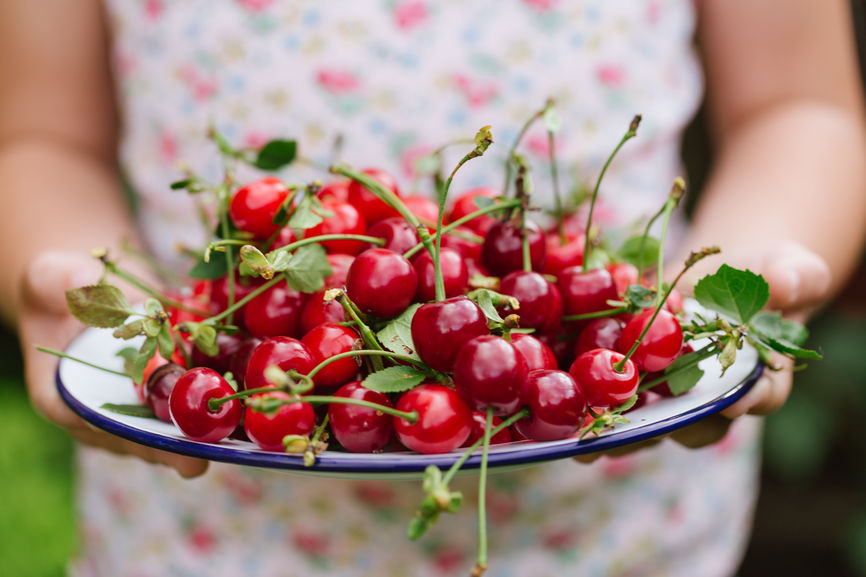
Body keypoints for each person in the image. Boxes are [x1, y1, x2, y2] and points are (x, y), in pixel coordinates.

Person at [1, 1, 863, 575]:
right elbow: (40, 135)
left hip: (612, 528)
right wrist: (75, 280)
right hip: (204, 524)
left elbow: (800, 105)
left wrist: (721, 298)